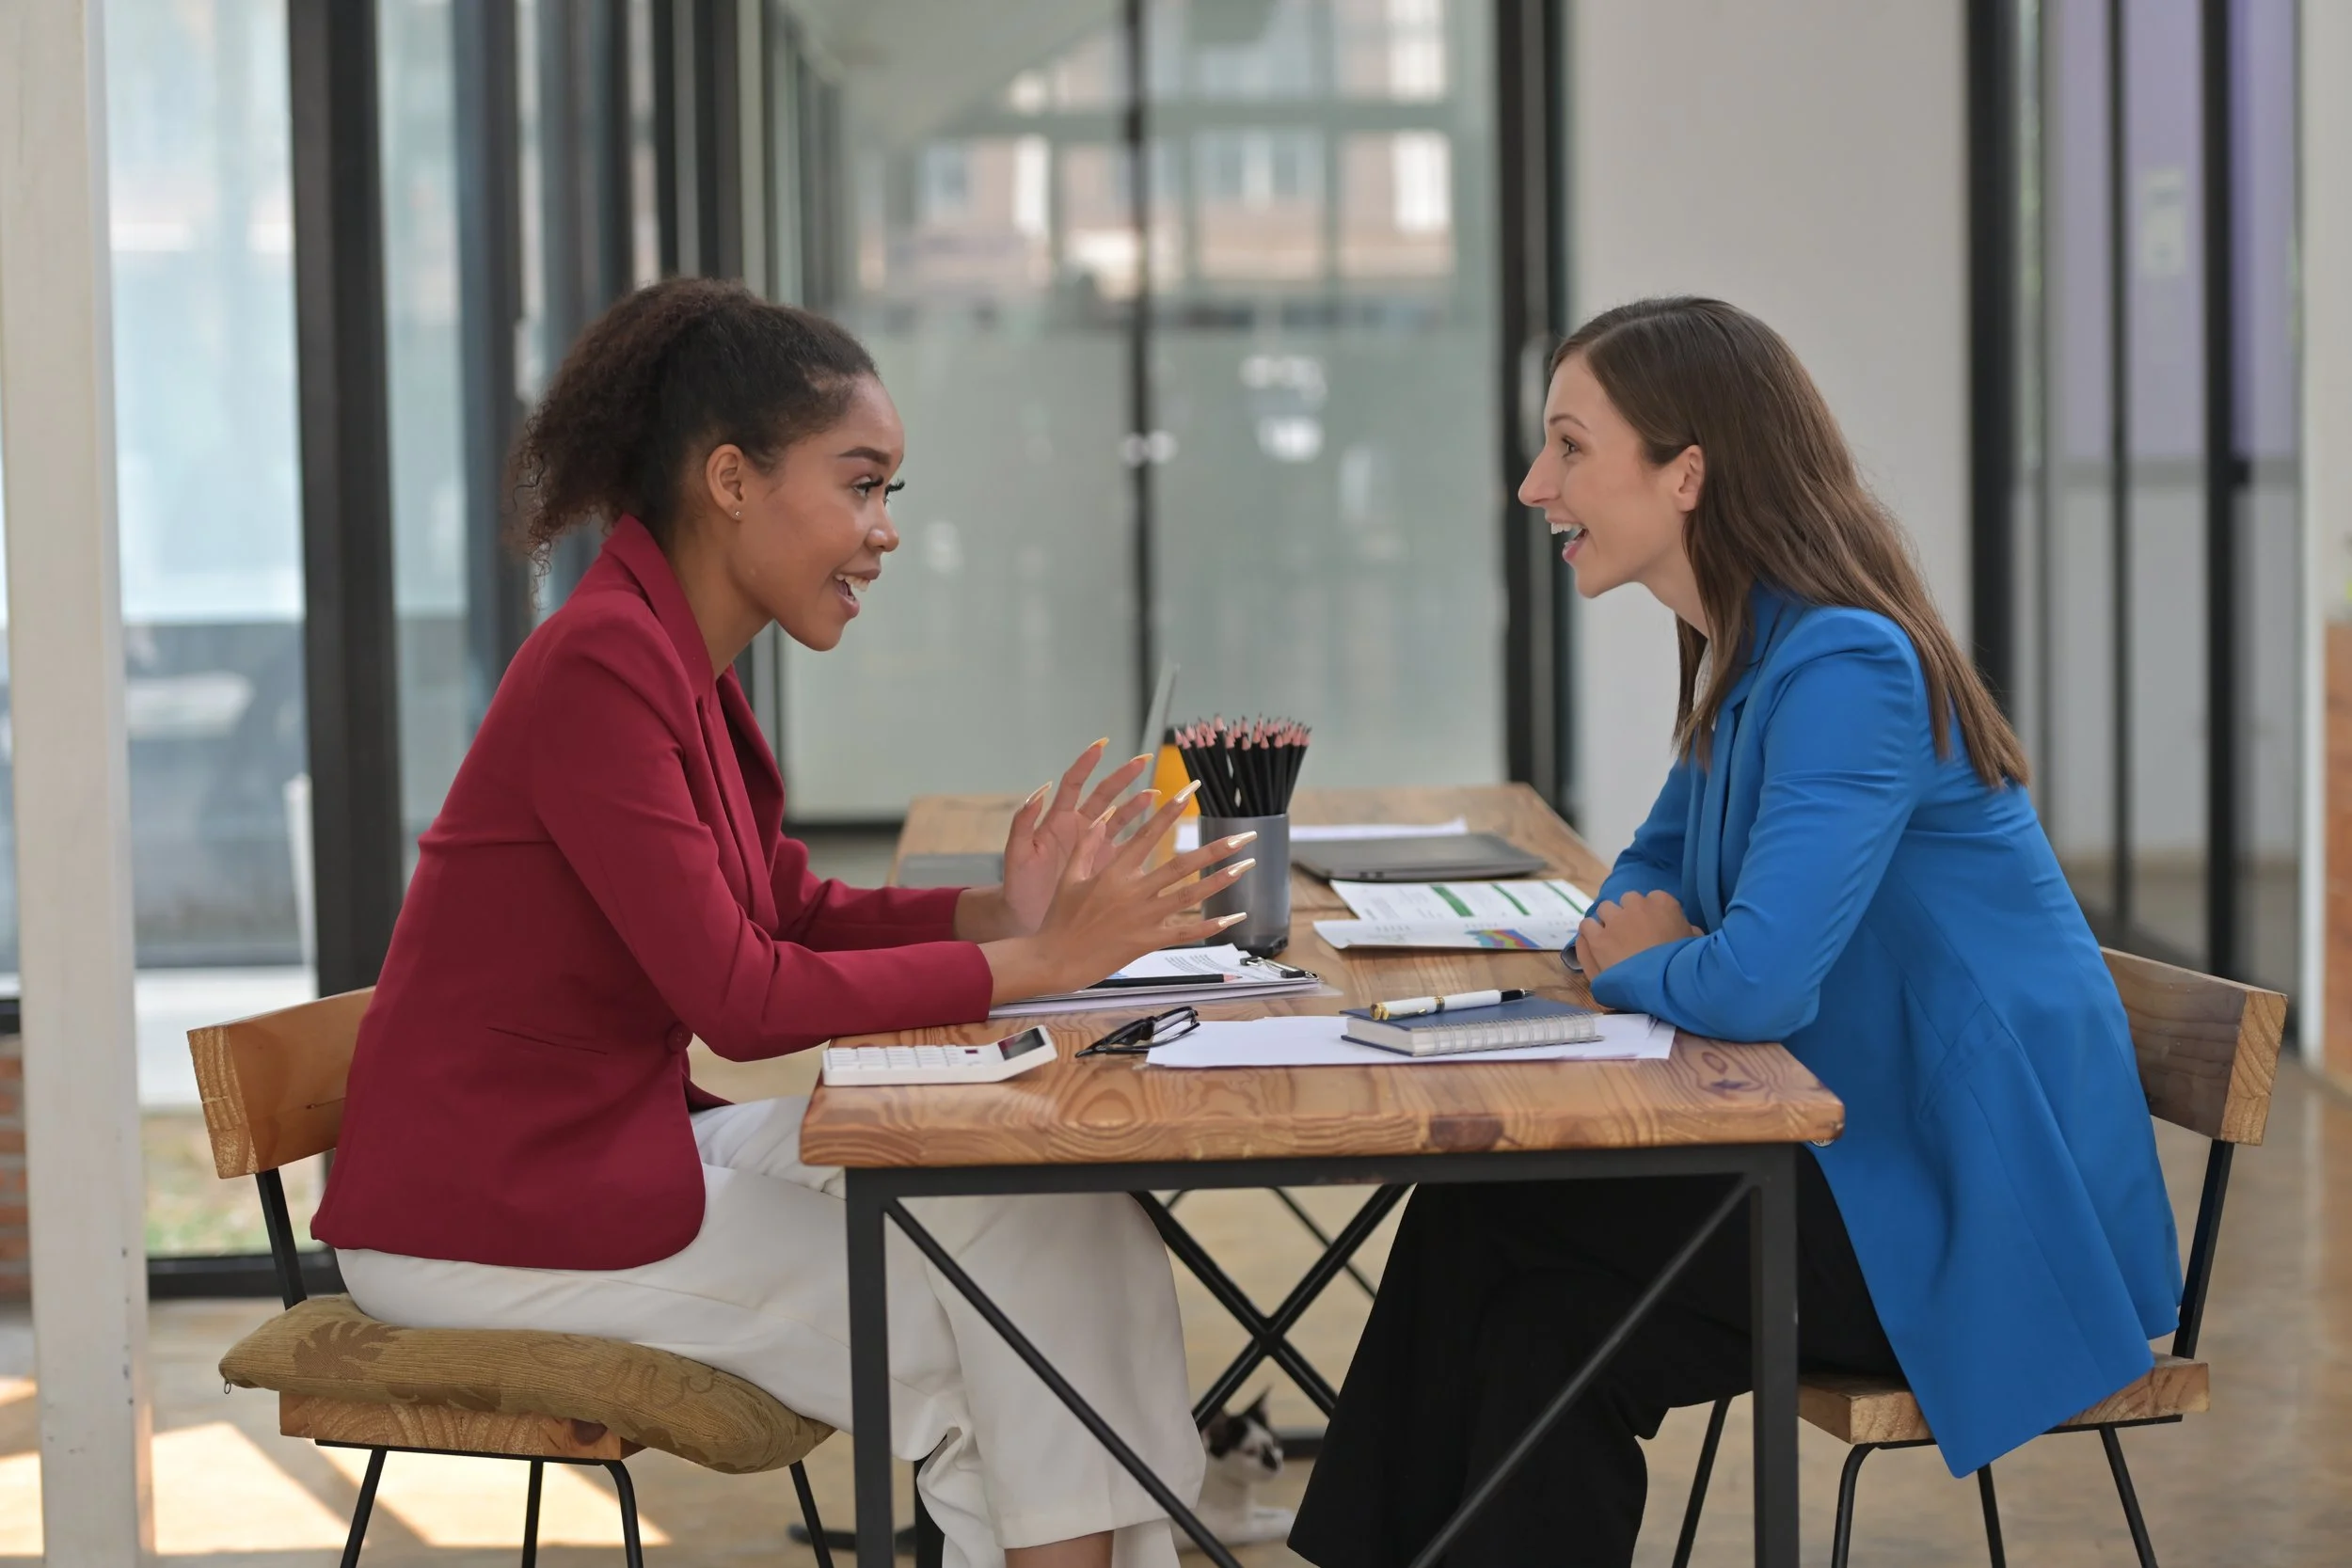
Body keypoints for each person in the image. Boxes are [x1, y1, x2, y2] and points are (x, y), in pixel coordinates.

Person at [310, 277, 1258, 1568]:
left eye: (890, 493)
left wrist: (996, 911)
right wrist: (1033, 963)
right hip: (489, 1214)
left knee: (1065, 1220)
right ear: (731, 480)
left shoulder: (670, 658)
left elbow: (786, 909)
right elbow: (743, 998)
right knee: (988, 1345)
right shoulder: (600, 666)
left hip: (606, 1143)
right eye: (861, 485)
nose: (887, 531)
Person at [1288, 297, 2182, 1566]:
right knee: (1542, 1326)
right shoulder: (1753, 659)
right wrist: (1655, 947)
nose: (1537, 483)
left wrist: (1652, 957)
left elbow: (1756, 981)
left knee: (1486, 1216)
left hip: (1967, 1224)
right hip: (1862, 1167)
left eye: (1571, 446)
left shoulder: (1850, 667)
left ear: (1688, 473)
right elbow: (1637, 888)